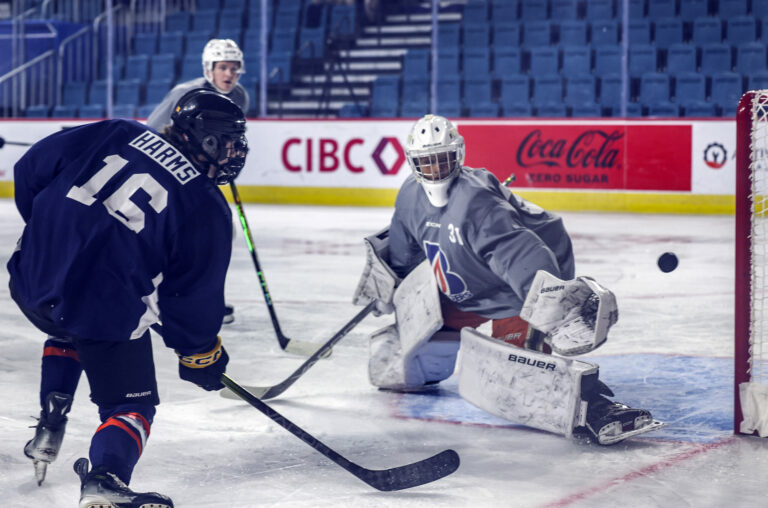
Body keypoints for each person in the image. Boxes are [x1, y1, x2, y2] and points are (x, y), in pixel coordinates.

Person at [353, 114, 664, 446]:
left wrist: (550, 307)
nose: (435, 169)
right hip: (463, 288)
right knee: (403, 367)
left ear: (457, 155)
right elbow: (404, 251)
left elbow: (524, 256)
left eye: (442, 159)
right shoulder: (409, 197)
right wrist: (389, 282)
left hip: (512, 294)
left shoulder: (475, 203)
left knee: (521, 381)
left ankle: (597, 407)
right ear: (412, 162)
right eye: (426, 162)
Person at [11, 89, 248, 507]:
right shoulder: (206, 206)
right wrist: (200, 355)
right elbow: (188, 300)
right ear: (204, 139)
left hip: (31, 279)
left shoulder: (117, 130)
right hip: (102, 314)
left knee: (67, 324)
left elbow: (31, 168)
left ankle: (51, 420)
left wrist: (54, 236)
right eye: (228, 140)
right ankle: (106, 478)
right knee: (129, 406)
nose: (236, 151)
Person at [147, 38, 249, 325]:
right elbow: (151, 132)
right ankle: (160, 294)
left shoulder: (240, 96)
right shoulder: (184, 93)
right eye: (223, 68)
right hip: (171, 177)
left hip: (203, 180)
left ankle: (209, 299)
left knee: (219, 233)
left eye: (234, 68)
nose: (229, 75)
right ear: (209, 68)